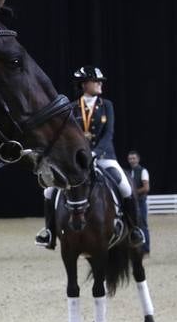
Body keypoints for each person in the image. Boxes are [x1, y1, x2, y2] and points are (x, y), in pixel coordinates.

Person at [36, 66, 144, 249]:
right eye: (96, 81)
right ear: (84, 84)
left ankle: (134, 229)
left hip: (103, 157)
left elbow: (108, 134)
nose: (100, 84)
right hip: (77, 160)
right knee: (49, 191)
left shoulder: (107, 105)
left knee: (125, 187)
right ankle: (49, 233)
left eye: (100, 81)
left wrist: (95, 152)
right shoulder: (72, 108)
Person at [126, 151, 150, 255]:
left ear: (138, 159)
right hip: (131, 203)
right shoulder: (127, 172)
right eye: (130, 158)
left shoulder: (143, 171)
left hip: (140, 202)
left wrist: (133, 192)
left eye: (134, 158)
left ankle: (145, 249)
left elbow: (146, 188)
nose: (132, 160)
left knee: (143, 225)